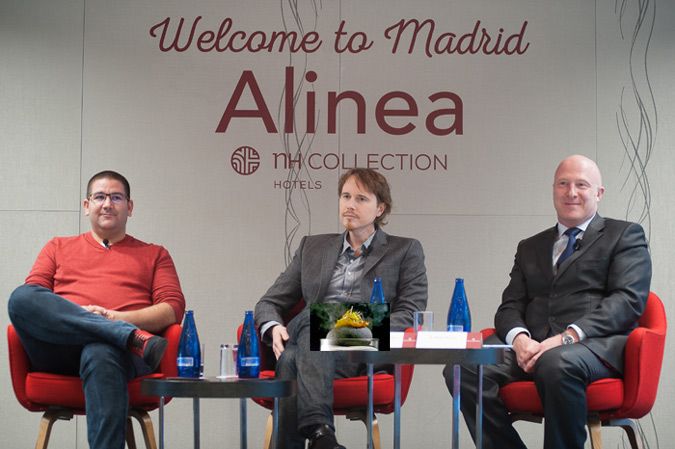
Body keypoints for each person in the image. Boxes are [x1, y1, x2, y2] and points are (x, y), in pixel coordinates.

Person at [443, 155, 652, 449]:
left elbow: (628, 301)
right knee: (462, 367)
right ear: (553, 189)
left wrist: (566, 338)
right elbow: (509, 306)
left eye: (582, 185)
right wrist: (519, 339)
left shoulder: (624, 235)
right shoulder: (530, 246)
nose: (571, 192)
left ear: (599, 193)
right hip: (532, 346)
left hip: (591, 346)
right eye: (563, 184)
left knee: (556, 363)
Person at [8, 170, 185, 449]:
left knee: (100, 351)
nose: (107, 204)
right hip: (60, 349)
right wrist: (107, 325)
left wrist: (114, 317)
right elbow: (34, 302)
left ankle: (118, 335)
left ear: (130, 206)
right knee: (20, 298)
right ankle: (124, 334)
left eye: (116, 197)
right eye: (100, 197)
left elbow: (172, 309)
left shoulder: (155, 254)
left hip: (122, 357)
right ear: (86, 205)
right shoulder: (57, 247)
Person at [255, 168, 428, 449]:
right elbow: (268, 302)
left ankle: (320, 434)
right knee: (313, 324)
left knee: (290, 359)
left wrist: (341, 327)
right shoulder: (312, 247)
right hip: (315, 346)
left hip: (359, 352)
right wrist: (273, 326)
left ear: (380, 208)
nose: (350, 204)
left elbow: (409, 313)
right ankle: (321, 433)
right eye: (345, 196)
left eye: (361, 199)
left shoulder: (405, 250)